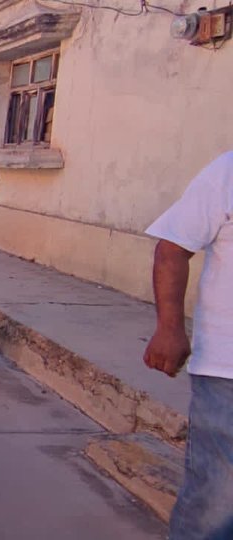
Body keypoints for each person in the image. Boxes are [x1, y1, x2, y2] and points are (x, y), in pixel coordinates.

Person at [142, 151, 233, 540]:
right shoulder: (226, 172)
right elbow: (173, 248)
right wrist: (170, 328)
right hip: (227, 371)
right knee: (217, 500)